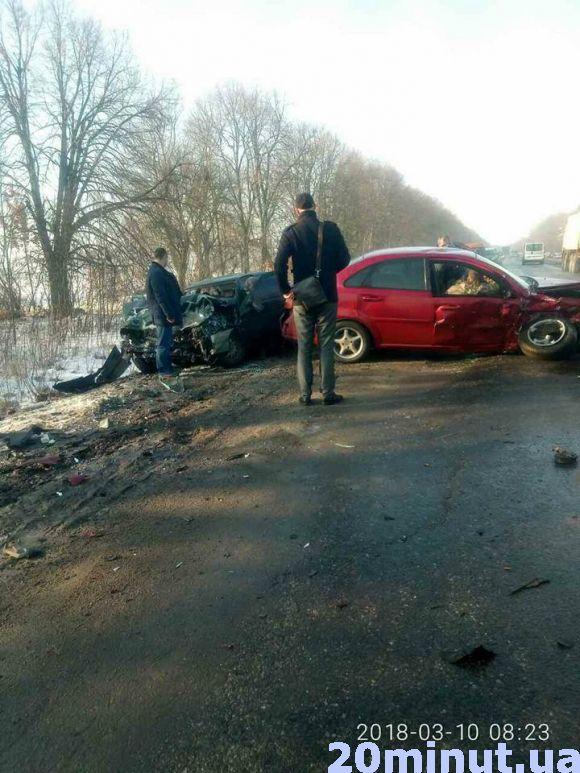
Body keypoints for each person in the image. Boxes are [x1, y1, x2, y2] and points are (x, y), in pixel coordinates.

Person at [274, 193, 350, 406]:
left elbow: (278, 265)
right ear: (314, 206)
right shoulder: (331, 229)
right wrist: (326, 273)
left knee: (304, 346)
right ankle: (328, 393)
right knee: (326, 345)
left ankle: (305, 395)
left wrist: (286, 291)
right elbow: (345, 258)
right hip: (327, 295)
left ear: (296, 209)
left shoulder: (290, 232)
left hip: (302, 298)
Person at [145, 246, 183, 378]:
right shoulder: (156, 272)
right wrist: (169, 314)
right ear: (163, 257)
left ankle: (167, 369)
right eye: (167, 258)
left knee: (165, 343)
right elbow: (160, 296)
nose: (167, 261)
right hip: (162, 315)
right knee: (162, 344)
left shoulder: (157, 271)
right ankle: (164, 371)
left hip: (163, 314)